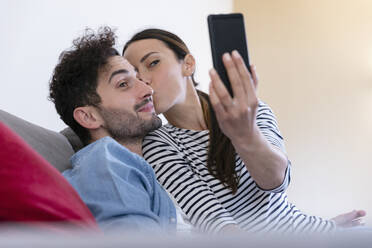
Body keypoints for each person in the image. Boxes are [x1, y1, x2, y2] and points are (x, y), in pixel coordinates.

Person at [122, 28, 366, 233]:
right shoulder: (158, 143)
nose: (143, 78)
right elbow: (215, 223)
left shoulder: (251, 110)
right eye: (133, 75)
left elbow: (276, 182)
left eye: (153, 63)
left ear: (188, 64)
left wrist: (244, 133)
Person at [48, 27, 177, 233]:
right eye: (124, 84)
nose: (148, 90)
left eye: (139, 79)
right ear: (89, 116)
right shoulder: (106, 164)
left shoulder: (149, 165)